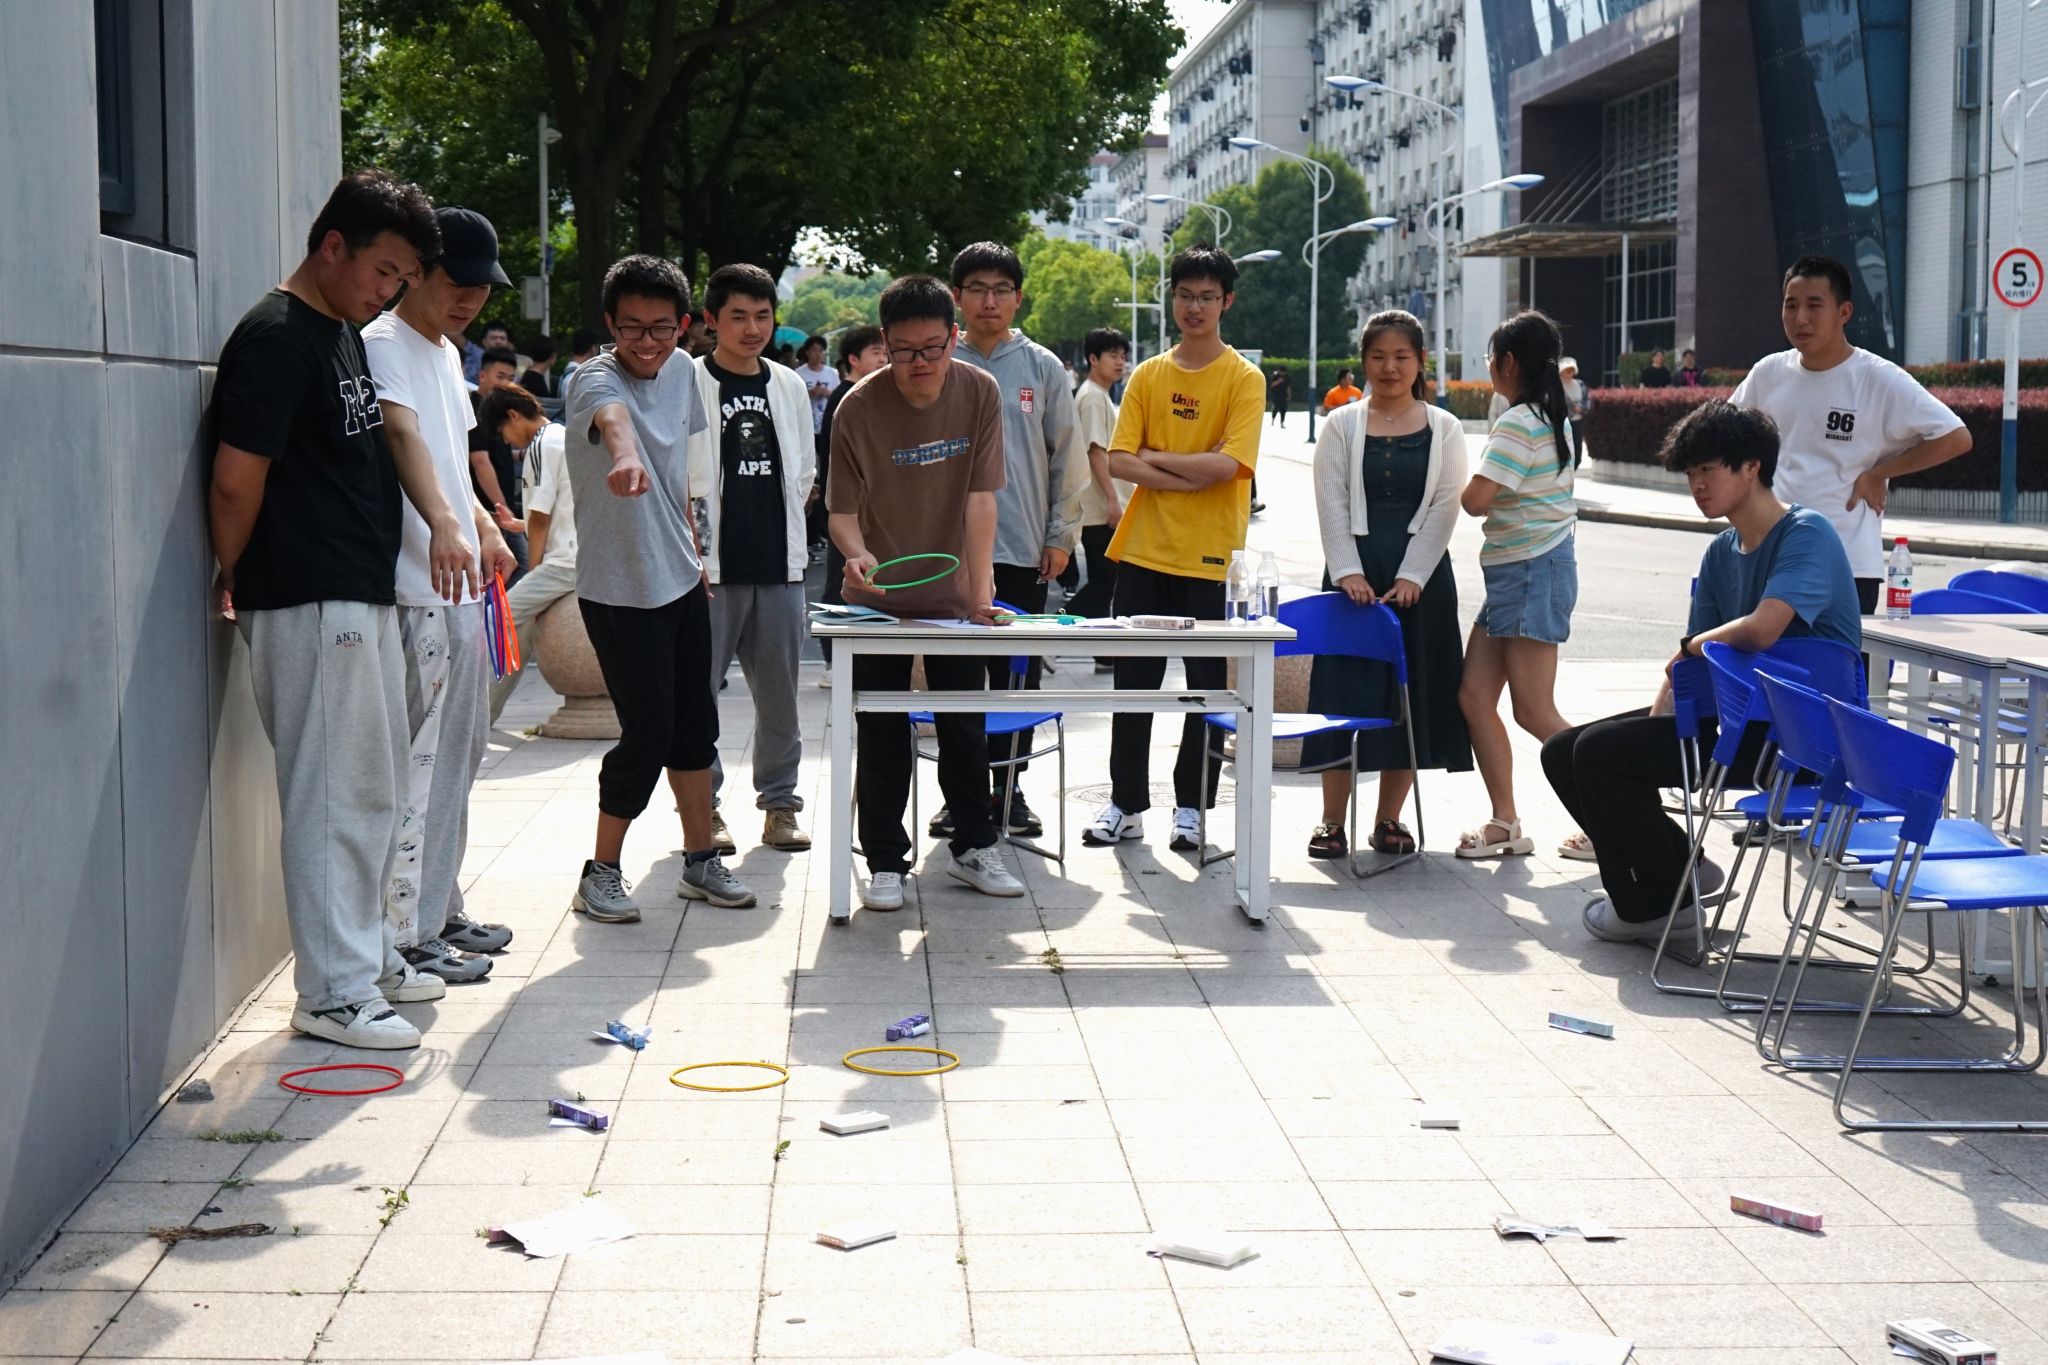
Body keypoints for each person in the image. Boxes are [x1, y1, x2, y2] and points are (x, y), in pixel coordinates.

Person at [207, 169, 445, 1049]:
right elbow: (235, 480)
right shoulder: (276, 337)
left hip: (354, 589)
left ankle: (368, 956)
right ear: (332, 245)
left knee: (373, 788)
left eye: (402, 280)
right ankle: (335, 991)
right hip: (306, 593)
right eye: (383, 271)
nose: (389, 292)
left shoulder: (337, 330)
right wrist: (233, 569)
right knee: (335, 794)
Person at [1546, 399, 1860, 944]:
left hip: (1802, 741)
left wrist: (1689, 648)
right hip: (1740, 724)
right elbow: (1694, 664)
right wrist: (1662, 710)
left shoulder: (1807, 533)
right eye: (1690, 473)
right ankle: (1682, 868)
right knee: (1564, 751)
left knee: (1600, 755)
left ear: (1751, 466)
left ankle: (1650, 909)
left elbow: (1762, 629)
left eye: (1707, 469)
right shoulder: (1720, 552)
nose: (1697, 485)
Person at [562, 254, 757, 921]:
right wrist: (623, 457)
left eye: (661, 328)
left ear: (685, 325)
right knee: (647, 729)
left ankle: (701, 860)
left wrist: (696, 551)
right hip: (619, 589)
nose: (646, 342)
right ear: (609, 324)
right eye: (631, 328)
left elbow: (683, 475)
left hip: (679, 577)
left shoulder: (682, 373)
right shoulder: (592, 378)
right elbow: (616, 422)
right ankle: (600, 872)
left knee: (696, 725)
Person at [362, 205, 522, 983]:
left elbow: (455, 456)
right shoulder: (382, 343)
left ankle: (439, 905)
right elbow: (401, 437)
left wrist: (486, 526)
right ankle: (406, 933)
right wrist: (447, 525)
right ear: (417, 272)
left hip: (462, 588)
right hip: (416, 586)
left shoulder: (445, 352)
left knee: (458, 759)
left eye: (482, 288)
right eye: (456, 282)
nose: (469, 300)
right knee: (420, 768)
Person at [827, 275, 1023, 909]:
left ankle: (974, 845)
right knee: (882, 728)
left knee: (964, 724)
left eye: (933, 348)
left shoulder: (979, 390)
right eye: (905, 351)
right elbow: (840, 512)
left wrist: (980, 592)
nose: (920, 363)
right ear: (884, 343)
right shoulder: (857, 407)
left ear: (953, 337)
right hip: (877, 600)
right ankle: (885, 860)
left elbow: (980, 499)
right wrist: (857, 555)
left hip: (953, 599)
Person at [1085, 244, 1265, 852]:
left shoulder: (1243, 378)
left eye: (1207, 297)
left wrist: (1157, 459)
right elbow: (1119, 460)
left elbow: (1229, 465)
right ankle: (1125, 804)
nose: (1195, 307)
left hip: (1211, 555)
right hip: (1143, 549)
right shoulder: (1149, 374)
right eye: (1185, 295)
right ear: (1173, 299)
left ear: (1227, 302)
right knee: (1132, 684)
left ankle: (1192, 807)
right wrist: (1190, 470)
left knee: (1205, 688)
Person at [1306, 310, 1472, 858]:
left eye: (1401, 357)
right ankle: (1331, 822)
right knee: (1343, 695)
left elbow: (1446, 505)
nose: (1389, 367)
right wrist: (1347, 570)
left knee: (1411, 698)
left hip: (1420, 582)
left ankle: (1389, 820)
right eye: (1378, 357)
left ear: (1420, 361)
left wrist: (1412, 575)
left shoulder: (1445, 427)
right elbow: (1331, 500)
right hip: (1352, 580)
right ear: (1363, 362)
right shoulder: (1341, 424)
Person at [1732, 255, 1970, 613]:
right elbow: (1727, 434)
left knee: (1834, 654)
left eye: (1814, 306)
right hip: (1769, 554)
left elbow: (1955, 437)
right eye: (1791, 305)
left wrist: (1880, 472)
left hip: (1846, 565)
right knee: (1758, 649)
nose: (1800, 318)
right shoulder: (1768, 373)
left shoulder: (1878, 378)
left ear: (1844, 312)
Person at [943, 241, 1083, 841]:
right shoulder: (938, 359)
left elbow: (1067, 459)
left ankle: (1010, 788)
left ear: (1018, 298)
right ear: (957, 296)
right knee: (957, 680)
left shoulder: (1042, 367)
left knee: (1016, 678)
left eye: (1001, 289)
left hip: (1021, 546)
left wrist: (1061, 536)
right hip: (948, 552)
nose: (989, 300)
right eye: (977, 288)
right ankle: (961, 794)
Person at [686, 264, 816, 854]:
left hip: (779, 565)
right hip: (708, 568)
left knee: (781, 697)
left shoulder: (788, 384)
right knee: (698, 695)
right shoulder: (686, 380)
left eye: (762, 316)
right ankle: (704, 809)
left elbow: (805, 469)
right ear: (711, 320)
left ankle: (780, 805)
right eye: (737, 316)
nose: (752, 328)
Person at [1455, 309, 1580, 860]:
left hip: (1531, 570)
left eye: (1490, 358)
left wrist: (1456, 486)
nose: (1489, 367)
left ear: (1507, 363)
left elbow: (1475, 500)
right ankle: (1505, 822)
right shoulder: (1551, 418)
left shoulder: (1517, 422)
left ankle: (1620, 814)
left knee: (1533, 710)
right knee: (1474, 696)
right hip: (1518, 573)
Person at [482, 384, 575, 723]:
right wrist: (519, 525)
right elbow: (562, 509)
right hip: (576, 555)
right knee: (516, 630)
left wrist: (533, 568)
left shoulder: (541, 445)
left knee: (494, 618)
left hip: (564, 562)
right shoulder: (561, 436)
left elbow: (541, 516)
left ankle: (477, 714)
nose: (507, 441)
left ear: (513, 416)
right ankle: (486, 713)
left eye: (503, 433)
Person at [814, 324, 890, 676]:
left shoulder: (872, 395)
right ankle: (835, 661)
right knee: (842, 583)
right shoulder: (847, 398)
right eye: (876, 353)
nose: (883, 359)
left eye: (885, 352)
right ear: (853, 359)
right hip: (846, 509)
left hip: (869, 510)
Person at [1068, 327, 1130, 671]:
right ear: (1093, 359)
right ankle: (1056, 627)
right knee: (1106, 581)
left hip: (1100, 506)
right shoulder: (1093, 397)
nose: (1120, 362)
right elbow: (1096, 452)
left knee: (1105, 581)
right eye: (1112, 355)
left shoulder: (1098, 395)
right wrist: (1112, 499)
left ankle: (1102, 651)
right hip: (1099, 508)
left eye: (1123, 356)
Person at [469, 345, 528, 581]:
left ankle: (506, 606)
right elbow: (480, 461)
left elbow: (494, 455)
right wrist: (501, 506)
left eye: (511, 378)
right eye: (500, 376)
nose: (506, 383)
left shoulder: (498, 412)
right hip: (490, 510)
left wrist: (519, 456)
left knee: (515, 568)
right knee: (514, 568)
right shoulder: (474, 409)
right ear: (482, 375)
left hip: (503, 509)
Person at [796, 334, 840, 433]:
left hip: (828, 424)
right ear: (807, 352)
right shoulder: (798, 373)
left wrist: (828, 393)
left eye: (821, 351)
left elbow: (839, 397)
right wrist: (809, 393)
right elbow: (792, 397)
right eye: (814, 350)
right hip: (805, 425)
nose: (818, 354)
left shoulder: (832, 373)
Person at [1559, 356, 1593, 424]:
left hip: (1578, 421)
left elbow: (1587, 399)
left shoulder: (1580, 384)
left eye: (1572, 370)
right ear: (1561, 371)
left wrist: (1581, 407)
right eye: (1567, 370)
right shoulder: (1556, 385)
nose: (1570, 372)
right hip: (1562, 422)